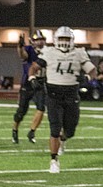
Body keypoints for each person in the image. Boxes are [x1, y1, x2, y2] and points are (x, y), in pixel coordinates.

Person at [36, 25, 97, 173]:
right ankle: (54, 160)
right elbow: (34, 66)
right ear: (56, 39)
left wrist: (87, 77)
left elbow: (92, 70)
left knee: (70, 130)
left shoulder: (79, 53)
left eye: (66, 38)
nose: (64, 41)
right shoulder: (49, 52)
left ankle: (63, 140)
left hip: (71, 94)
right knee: (55, 128)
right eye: (62, 38)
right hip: (53, 93)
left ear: (72, 40)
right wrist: (33, 76)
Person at [12, 30, 47, 144]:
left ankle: (31, 131)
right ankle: (15, 130)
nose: (40, 42)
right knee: (22, 111)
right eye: (38, 40)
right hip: (28, 83)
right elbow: (23, 55)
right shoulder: (29, 50)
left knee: (41, 107)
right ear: (33, 41)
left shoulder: (48, 52)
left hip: (40, 83)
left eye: (42, 39)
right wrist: (20, 46)